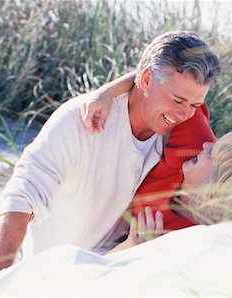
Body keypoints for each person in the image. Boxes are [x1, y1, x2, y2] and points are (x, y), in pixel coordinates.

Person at [0, 31, 221, 270]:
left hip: (116, 264)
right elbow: (22, 193)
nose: (183, 114)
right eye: (177, 100)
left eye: (195, 105)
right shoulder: (82, 119)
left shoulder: (183, 128)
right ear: (146, 81)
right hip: (50, 269)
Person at [108, 130, 232, 253]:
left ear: (215, 186)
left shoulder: (188, 243)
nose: (206, 144)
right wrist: (106, 94)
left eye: (212, 154)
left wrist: (131, 247)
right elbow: (173, 80)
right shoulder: (193, 141)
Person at [81, 71, 216, 233]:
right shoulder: (196, 141)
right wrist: (107, 92)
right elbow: (159, 71)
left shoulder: (189, 234)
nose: (208, 145)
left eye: (216, 154)